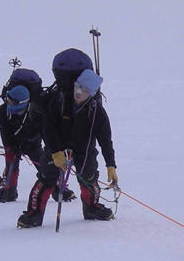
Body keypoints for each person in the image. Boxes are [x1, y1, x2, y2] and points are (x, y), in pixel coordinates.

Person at [17, 48, 118, 228]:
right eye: (78, 88)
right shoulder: (57, 101)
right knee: (46, 178)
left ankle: (91, 207)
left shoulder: (96, 110)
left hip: (84, 147)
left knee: (88, 177)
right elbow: (48, 128)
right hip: (57, 146)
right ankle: (34, 213)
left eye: (86, 90)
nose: (80, 93)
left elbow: (105, 137)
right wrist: (56, 152)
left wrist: (110, 164)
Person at [0, 83, 75, 203]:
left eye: (12, 102)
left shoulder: (37, 112)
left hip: (32, 142)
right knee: (11, 166)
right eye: (7, 100)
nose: (8, 103)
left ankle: (58, 189)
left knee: (45, 167)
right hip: (13, 143)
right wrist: (9, 147)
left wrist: (54, 151)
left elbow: (46, 132)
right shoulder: (3, 110)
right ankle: (9, 191)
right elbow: (4, 130)